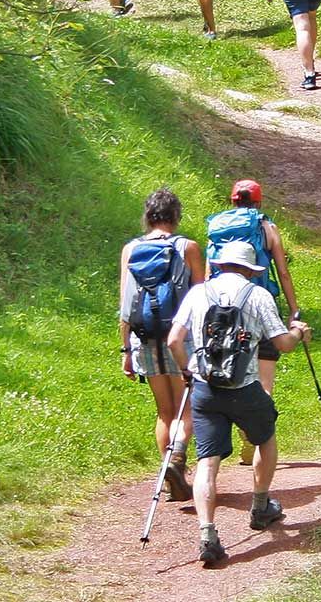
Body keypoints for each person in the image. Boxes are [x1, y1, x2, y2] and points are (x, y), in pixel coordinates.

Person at [167, 240, 313, 568]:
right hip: (245, 388)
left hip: (205, 388)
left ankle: (207, 534)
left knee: (208, 462)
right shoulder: (258, 295)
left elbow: (174, 340)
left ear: (219, 265)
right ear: (249, 269)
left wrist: (186, 371)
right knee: (265, 438)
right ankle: (260, 507)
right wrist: (299, 332)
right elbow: (283, 344)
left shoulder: (198, 293)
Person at [118, 187, 208, 501]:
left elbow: (126, 304)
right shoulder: (189, 248)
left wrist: (126, 351)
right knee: (186, 408)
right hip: (179, 339)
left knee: (163, 411)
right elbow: (201, 297)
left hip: (143, 337)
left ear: (149, 216)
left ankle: (171, 480)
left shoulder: (131, 249)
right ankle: (178, 458)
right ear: (175, 216)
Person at [205, 178, 300, 464]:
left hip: (223, 309)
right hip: (260, 303)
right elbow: (282, 272)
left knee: (228, 368)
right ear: (258, 201)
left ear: (233, 200)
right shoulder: (266, 227)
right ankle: (258, 441)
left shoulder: (216, 226)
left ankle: (234, 435)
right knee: (264, 380)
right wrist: (294, 309)